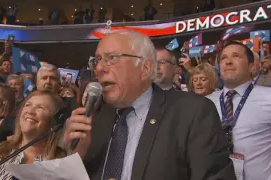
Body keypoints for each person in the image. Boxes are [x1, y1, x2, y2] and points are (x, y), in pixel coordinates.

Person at [63, 30, 236, 180]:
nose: (99, 68)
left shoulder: (193, 112)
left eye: (112, 58)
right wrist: (74, 157)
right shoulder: (91, 118)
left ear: (145, 68)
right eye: (98, 60)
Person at [0, 91, 67, 180]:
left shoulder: (61, 165)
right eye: (27, 105)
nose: (30, 111)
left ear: (56, 120)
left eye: (40, 107)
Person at [206, 41, 271, 180]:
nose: (228, 62)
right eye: (223, 58)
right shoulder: (205, 103)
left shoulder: (268, 98)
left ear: (252, 67)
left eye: (236, 56)